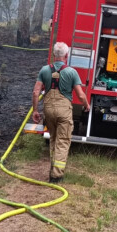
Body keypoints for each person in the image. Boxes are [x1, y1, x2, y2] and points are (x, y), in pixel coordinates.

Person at [32, 42, 90, 183]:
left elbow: (35, 92)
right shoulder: (72, 72)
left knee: (53, 139)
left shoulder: (44, 70)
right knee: (63, 141)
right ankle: (56, 176)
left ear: (54, 55)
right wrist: (86, 105)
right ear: (66, 56)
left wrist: (35, 110)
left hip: (48, 110)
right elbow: (80, 95)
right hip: (64, 111)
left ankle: (53, 169)